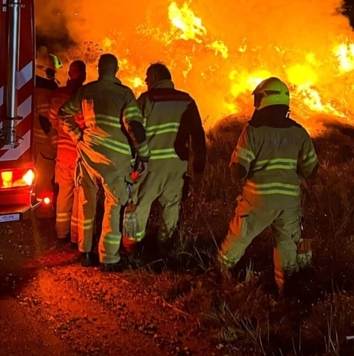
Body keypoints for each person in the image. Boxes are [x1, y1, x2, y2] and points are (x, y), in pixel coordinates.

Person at [217, 77, 318, 293]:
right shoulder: (299, 132)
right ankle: (287, 295)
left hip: (258, 199)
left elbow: (238, 171)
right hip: (289, 203)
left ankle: (217, 277)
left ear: (264, 99)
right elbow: (311, 169)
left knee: (238, 238)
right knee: (287, 249)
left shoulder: (253, 130)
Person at [60, 53, 150, 272]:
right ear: (116, 69)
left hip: (89, 154)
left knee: (86, 204)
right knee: (113, 207)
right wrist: (144, 154)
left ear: (99, 69)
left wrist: (78, 136)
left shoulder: (85, 91)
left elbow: (64, 114)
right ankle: (108, 258)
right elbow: (135, 128)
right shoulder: (124, 94)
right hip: (115, 161)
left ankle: (85, 252)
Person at [122, 63, 206, 257]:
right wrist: (198, 167)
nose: (145, 81)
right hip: (177, 166)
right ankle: (166, 249)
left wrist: (132, 157)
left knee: (136, 205)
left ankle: (130, 248)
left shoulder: (146, 99)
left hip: (149, 164)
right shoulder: (187, 100)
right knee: (171, 206)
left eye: (147, 77)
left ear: (155, 78)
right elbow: (198, 134)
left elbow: (134, 128)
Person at [48, 60, 87, 247]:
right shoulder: (85, 96)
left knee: (64, 192)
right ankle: (75, 237)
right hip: (80, 150)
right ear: (84, 75)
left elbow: (53, 121)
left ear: (70, 74)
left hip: (63, 150)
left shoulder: (57, 95)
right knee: (80, 194)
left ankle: (60, 233)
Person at [33, 48, 60, 218]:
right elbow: (45, 119)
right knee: (44, 179)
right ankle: (43, 213)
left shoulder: (33, 89)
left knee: (37, 177)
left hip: (35, 141)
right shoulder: (46, 93)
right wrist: (54, 138)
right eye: (51, 71)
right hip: (45, 143)